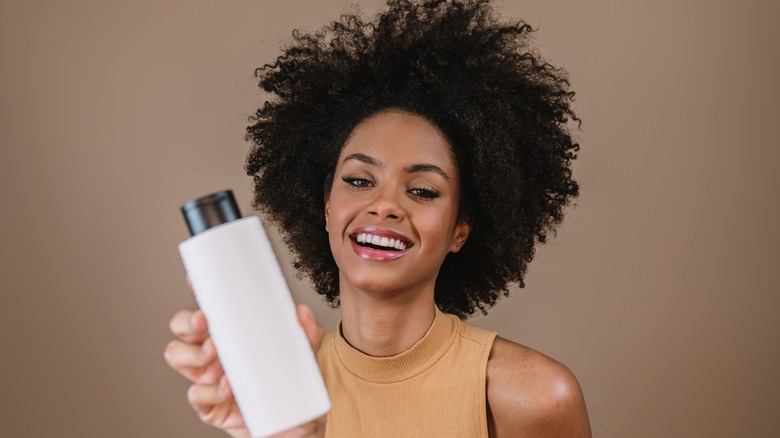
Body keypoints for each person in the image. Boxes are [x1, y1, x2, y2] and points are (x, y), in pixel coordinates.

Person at [165, 0, 591, 436]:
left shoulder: (534, 396)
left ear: (460, 229)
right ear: (326, 205)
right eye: (358, 180)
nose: (385, 205)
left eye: (422, 190)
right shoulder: (277, 397)